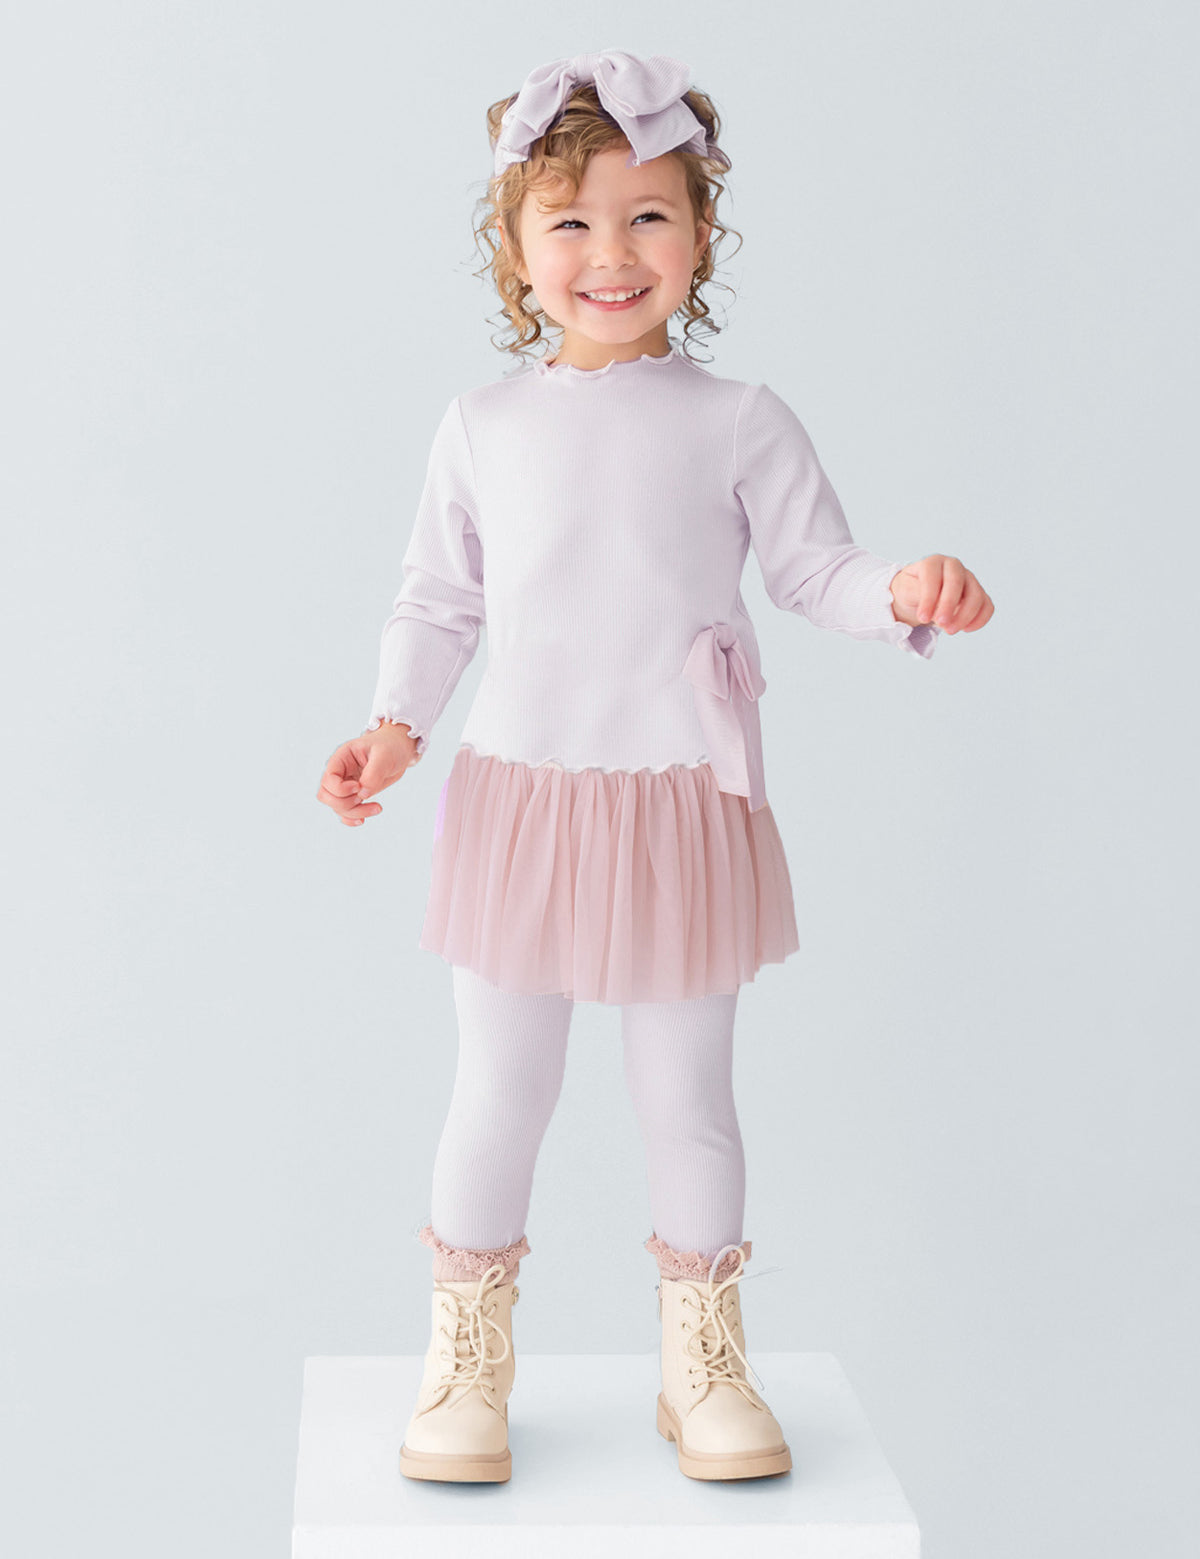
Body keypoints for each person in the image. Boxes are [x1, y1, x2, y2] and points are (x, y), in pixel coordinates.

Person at [316, 48, 994, 1486]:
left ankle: (703, 1360)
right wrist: (394, 724)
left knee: (688, 1097)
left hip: (684, 801)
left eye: (648, 218)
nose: (609, 255)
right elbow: (441, 602)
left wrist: (905, 591)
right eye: (570, 222)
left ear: (701, 233)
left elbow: (815, 569)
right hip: (521, 799)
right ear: (513, 247)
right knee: (500, 1089)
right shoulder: (482, 428)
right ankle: (467, 1365)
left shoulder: (738, 418)